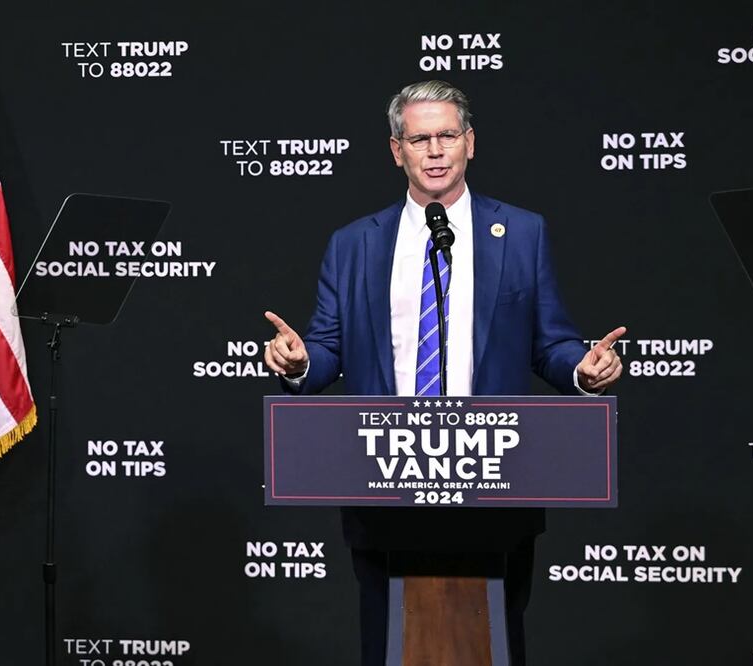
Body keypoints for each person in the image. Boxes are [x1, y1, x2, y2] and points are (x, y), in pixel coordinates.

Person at [263, 80, 625, 666]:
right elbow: (327, 348)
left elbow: (550, 343)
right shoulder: (354, 243)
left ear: (470, 144)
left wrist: (583, 370)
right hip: (384, 481)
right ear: (396, 150)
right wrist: (300, 362)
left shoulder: (523, 233)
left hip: (496, 481)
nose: (434, 150)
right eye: (420, 138)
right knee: (388, 643)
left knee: (496, 640)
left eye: (447, 136)